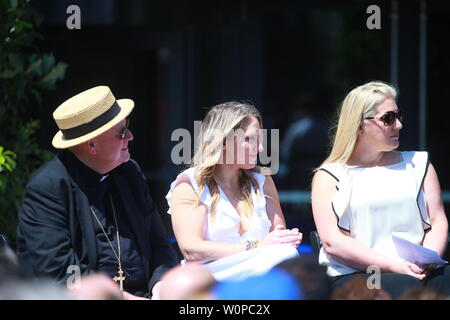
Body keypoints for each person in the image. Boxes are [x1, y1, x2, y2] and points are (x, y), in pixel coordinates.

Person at [16, 86, 177, 299]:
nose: (130, 135)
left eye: (127, 126)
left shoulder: (130, 173)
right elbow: (58, 274)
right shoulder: (48, 188)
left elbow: (159, 244)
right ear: (91, 144)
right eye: (121, 132)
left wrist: (161, 286)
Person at [311, 81, 450, 299]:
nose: (399, 125)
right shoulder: (329, 176)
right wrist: (395, 266)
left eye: (398, 115)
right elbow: (333, 242)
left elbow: (438, 221)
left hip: (420, 268)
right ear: (359, 125)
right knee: (403, 287)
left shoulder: (420, 163)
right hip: (360, 273)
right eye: (388, 118)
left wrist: (426, 260)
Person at [165, 101, 301, 281]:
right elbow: (192, 250)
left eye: (259, 140)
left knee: (287, 256)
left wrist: (286, 238)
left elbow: (277, 236)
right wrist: (258, 245)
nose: (260, 148)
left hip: (261, 269)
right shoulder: (191, 184)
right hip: (211, 276)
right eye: (249, 139)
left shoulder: (262, 180)